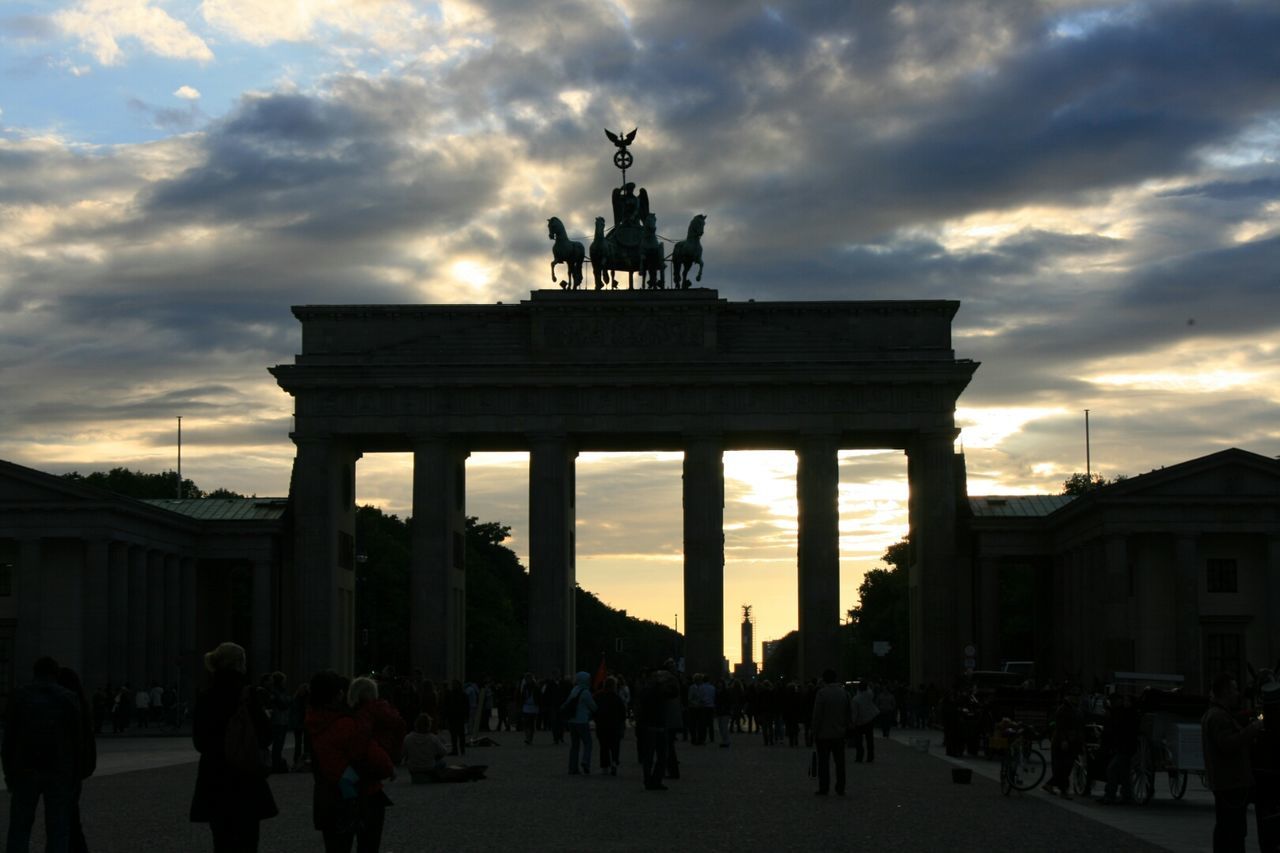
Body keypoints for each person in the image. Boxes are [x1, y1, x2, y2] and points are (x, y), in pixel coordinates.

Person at [188, 642, 278, 852]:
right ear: (239, 664)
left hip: (215, 778)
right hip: (244, 777)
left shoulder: (205, 696)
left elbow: (199, 742)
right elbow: (265, 736)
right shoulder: (248, 695)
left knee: (221, 843)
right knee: (247, 842)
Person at [306, 670, 395, 853]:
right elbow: (379, 760)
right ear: (338, 695)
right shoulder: (346, 725)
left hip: (328, 797)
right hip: (364, 796)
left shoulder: (313, 722)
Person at [3, 656, 83, 853]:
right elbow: (77, 741)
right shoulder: (68, 697)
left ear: (35, 672)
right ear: (55, 674)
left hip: (25, 769)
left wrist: (9, 773)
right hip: (58, 769)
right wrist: (75, 774)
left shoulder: (19, 696)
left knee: (19, 827)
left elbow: (9, 739)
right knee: (58, 828)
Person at [1202, 672, 1263, 852]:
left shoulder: (1217, 714)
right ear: (1226, 692)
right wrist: (1254, 728)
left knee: (1226, 828)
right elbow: (1228, 744)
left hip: (1227, 782)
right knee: (1232, 830)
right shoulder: (1218, 717)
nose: (1238, 693)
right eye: (1234, 689)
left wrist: (1257, 717)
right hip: (1230, 783)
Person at [56, 667, 97, 853]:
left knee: (62, 821)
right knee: (71, 818)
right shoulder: (81, 705)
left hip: (60, 769)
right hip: (74, 770)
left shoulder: (63, 704)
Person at [811, 668, 852, 796]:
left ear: (824, 679)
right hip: (839, 733)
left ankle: (824, 787)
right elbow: (848, 713)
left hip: (823, 734)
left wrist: (814, 731)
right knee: (840, 762)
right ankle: (840, 787)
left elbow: (817, 715)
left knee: (823, 762)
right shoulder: (844, 693)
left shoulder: (822, 693)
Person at [561, 671, 598, 775]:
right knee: (588, 743)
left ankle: (572, 768)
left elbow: (567, 703)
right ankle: (585, 761)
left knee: (574, 745)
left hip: (572, 721)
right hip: (582, 721)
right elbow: (594, 707)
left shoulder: (574, 690)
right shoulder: (586, 692)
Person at [593, 676, 627, 775]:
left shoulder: (597, 696)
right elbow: (622, 713)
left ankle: (605, 766)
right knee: (615, 746)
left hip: (601, 725)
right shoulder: (617, 698)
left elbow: (593, 708)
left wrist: (596, 718)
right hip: (614, 726)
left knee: (604, 747)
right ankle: (614, 762)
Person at [852, 682, 879, 763]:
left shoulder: (855, 699)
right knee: (869, 739)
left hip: (859, 722)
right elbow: (870, 691)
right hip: (870, 719)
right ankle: (870, 757)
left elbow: (854, 713)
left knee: (859, 741)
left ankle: (859, 757)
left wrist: (853, 722)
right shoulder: (869, 695)